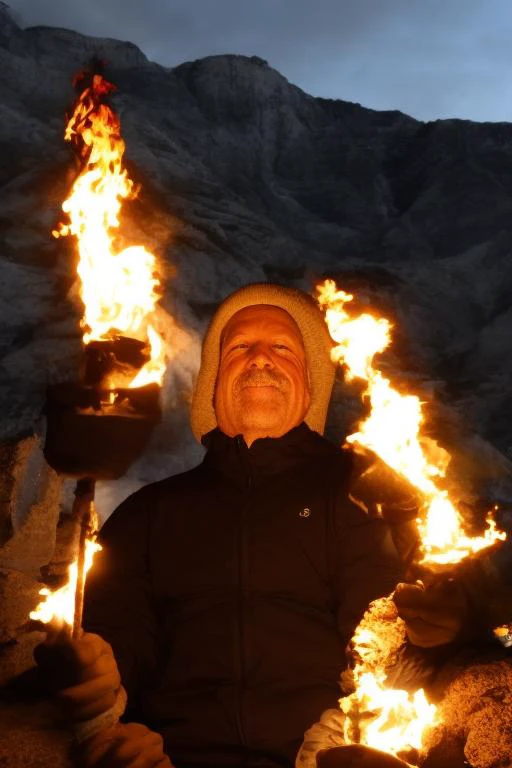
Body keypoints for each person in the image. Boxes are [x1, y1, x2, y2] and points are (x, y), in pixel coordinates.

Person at [35, 283, 471, 768]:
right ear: (213, 384)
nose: (260, 358)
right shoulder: (149, 513)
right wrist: (97, 680)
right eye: (240, 347)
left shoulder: (360, 498)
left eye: (282, 348)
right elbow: (117, 643)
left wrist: (435, 635)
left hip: (320, 755)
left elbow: (389, 646)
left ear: (311, 384)